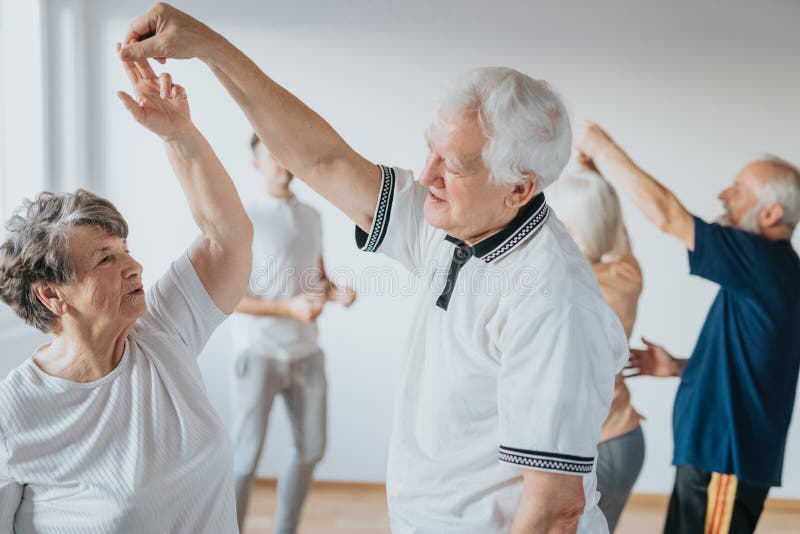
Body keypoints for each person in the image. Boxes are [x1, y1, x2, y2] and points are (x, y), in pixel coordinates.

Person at [119, 6, 629, 532]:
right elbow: (322, 160)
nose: (425, 174)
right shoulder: (454, 220)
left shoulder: (551, 299)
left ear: (519, 187)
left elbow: (554, 509)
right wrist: (209, 47)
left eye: (451, 165)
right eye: (429, 150)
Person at [0, 51, 252, 532]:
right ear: (54, 296)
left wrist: (179, 135)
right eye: (105, 258)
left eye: (125, 248)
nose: (134, 265)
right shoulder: (14, 415)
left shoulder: (162, 333)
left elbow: (228, 238)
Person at [576, 122, 800, 534]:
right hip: (713, 458)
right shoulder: (770, 272)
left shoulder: (763, 262)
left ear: (771, 214)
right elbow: (755, 365)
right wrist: (679, 366)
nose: (723, 195)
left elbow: (668, 216)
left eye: (739, 190)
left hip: (724, 462)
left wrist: (602, 147)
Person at [231, 134, 356, 533]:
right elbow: (232, 297)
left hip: (306, 353)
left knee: (311, 450)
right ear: (256, 163)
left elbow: (317, 279)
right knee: (244, 460)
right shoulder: (244, 217)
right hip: (259, 352)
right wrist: (288, 308)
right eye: (270, 154)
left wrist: (338, 293)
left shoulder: (312, 216)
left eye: (284, 151)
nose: (280, 160)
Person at [547, 169, 646, 532]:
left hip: (599, 447)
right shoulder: (626, 272)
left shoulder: (567, 284)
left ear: (570, 228)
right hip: (625, 439)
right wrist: (592, 175)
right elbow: (613, 228)